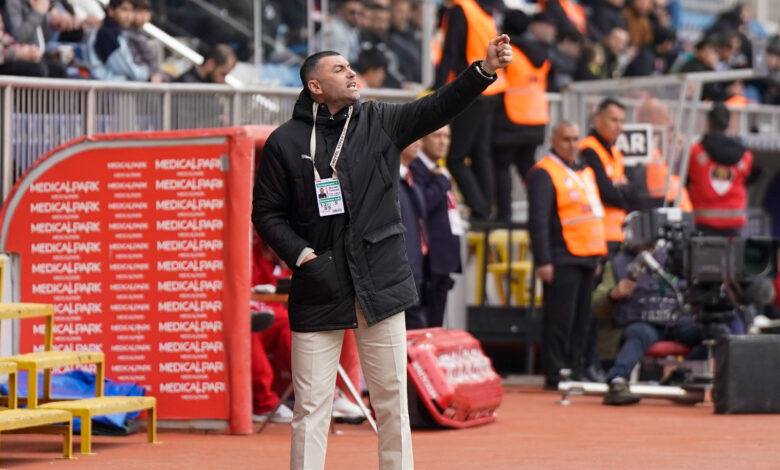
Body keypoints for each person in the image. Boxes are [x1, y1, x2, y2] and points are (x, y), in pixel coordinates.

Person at [252, 35, 513, 470]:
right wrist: (303, 257)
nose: (351, 73)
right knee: (311, 405)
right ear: (315, 86)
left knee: (392, 399)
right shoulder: (285, 141)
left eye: (350, 66)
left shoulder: (380, 120)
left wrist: (482, 71)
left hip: (381, 278)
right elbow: (266, 213)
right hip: (318, 285)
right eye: (339, 69)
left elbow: (437, 107)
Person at [527, 121, 607, 390]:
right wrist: (543, 259)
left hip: (588, 255)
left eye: (575, 139)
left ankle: (575, 368)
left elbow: (592, 214)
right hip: (562, 256)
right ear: (553, 141)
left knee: (582, 320)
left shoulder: (584, 171)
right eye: (566, 139)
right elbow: (538, 220)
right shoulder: (545, 172)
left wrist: (597, 256)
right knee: (560, 319)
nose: (572, 145)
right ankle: (556, 373)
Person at [591, 244, 703, 405]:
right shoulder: (618, 262)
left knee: (715, 333)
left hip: (679, 322)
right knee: (638, 334)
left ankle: (680, 375)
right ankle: (617, 381)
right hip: (643, 322)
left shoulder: (680, 257)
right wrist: (613, 295)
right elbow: (596, 306)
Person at [436, 0, 507, 220]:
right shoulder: (483, 11)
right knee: (480, 153)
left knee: (455, 157)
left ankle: (480, 209)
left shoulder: (462, 9)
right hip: (490, 87)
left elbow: (450, 52)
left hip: (471, 88)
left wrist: (436, 90)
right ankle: (485, 209)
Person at [492, 10, 554, 221]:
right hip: (536, 120)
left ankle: (504, 216)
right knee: (528, 168)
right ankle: (544, 213)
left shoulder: (507, 52)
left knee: (501, 167)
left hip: (510, 118)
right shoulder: (541, 53)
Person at [410, 125, 462, 328]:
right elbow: (421, 203)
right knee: (425, 328)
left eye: (447, 137)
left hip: (443, 262)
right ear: (422, 140)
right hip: (428, 264)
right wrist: (441, 181)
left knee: (436, 327)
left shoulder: (439, 170)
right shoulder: (415, 168)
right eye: (437, 136)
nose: (443, 142)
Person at [687, 102, 754, 237]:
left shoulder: (694, 152)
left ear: (708, 123)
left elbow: (686, 180)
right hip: (734, 224)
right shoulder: (745, 156)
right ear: (728, 124)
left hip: (702, 224)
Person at [580, 97, 630, 254]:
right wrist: (621, 189)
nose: (618, 126)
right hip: (598, 233)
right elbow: (605, 192)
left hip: (618, 232)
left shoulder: (616, 152)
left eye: (621, 121)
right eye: (614, 120)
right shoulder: (588, 149)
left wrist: (619, 190)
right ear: (598, 119)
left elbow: (634, 190)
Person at [87, 0, 160, 81]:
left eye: (131, 11)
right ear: (111, 11)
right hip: (109, 85)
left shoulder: (118, 33)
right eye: (124, 10)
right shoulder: (106, 34)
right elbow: (127, 69)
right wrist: (149, 76)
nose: (128, 16)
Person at [399, 140, 428, 330]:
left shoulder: (411, 178)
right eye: (414, 138)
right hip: (400, 274)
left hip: (417, 270)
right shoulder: (389, 181)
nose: (419, 143)